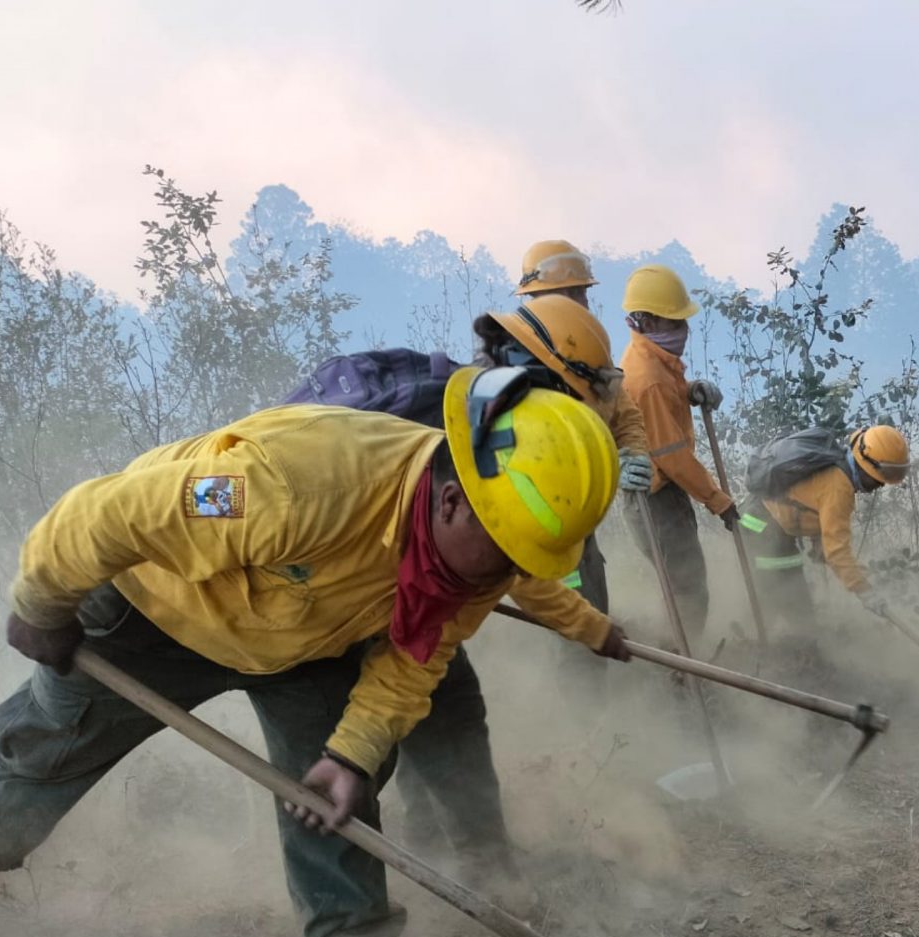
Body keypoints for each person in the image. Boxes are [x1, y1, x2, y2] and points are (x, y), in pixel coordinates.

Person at [0, 369, 623, 937]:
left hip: (309, 644)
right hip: (157, 614)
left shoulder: (471, 567)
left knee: (336, 794)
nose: (510, 576)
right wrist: (42, 604)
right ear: (455, 502)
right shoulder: (288, 486)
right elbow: (105, 515)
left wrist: (352, 754)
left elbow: (413, 664)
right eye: (507, 554)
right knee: (42, 752)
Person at [276, 301, 643, 892]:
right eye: (577, 399)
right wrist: (590, 627)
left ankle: (478, 863)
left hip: (407, 599)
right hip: (337, 605)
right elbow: (512, 560)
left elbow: (512, 561)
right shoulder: (474, 434)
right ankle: (446, 872)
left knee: (442, 711)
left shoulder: (481, 414)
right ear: (542, 373)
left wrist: (590, 628)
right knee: (376, 737)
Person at [513, 240, 657, 612]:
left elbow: (624, 415)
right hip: (539, 521)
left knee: (593, 608)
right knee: (571, 617)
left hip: (578, 519)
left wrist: (634, 455)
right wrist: (608, 462)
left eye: (583, 293)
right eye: (573, 293)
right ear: (539, 299)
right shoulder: (514, 362)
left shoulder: (589, 348)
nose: (583, 303)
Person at [617, 263, 738, 640]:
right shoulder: (650, 378)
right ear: (647, 321)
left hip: (654, 494)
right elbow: (673, 457)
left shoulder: (650, 358)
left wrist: (688, 391)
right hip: (657, 500)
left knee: (680, 585)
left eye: (683, 321)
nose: (684, 330)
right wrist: (719, 502)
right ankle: (681, 661)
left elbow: (662, 399)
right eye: (674, 322)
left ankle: (678, 653)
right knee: (688, 588)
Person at [740, 423, 912, 623]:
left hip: (764, 521)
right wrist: (865, 591)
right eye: (883, 475)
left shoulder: (836, 464)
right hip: (762, 526)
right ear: (866, 464)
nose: (881, 483)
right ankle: (758, 635)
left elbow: (807, 499)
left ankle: (764, 632)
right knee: (789, 602)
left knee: (787, 596)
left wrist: (818, 540)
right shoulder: (840, 488)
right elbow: (837, 551)